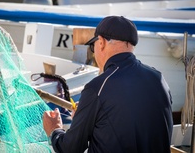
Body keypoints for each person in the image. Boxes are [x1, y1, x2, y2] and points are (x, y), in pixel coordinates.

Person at [43, 16, 173, 153]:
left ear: (101, 42)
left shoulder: (97, 87)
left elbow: (69, 149)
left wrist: (54, 130)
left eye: (93, 47)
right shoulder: (158, 79)